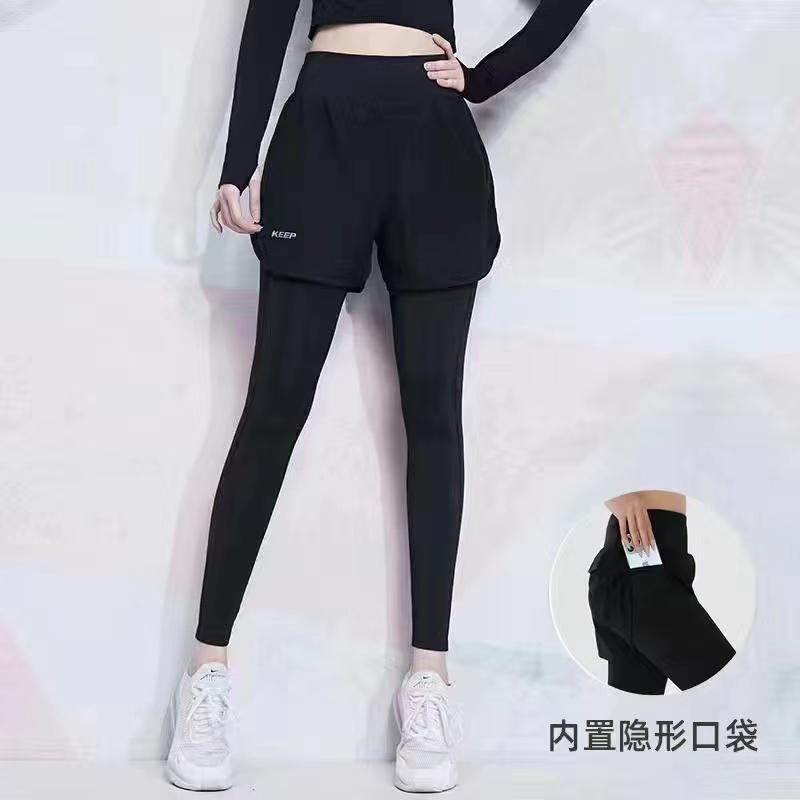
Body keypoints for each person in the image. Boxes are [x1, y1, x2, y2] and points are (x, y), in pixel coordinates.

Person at [167, 0, 595, 792]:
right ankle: (206, 675)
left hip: (432, 140)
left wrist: (483, 77)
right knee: (273, 409)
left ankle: (428, 682)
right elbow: (268, 19)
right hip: (322, 132)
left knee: (433, 415)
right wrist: (237, 161)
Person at [588, 491, 736, 695]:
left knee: (633, 713)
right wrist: (618, 496)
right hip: (638, 569)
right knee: (735, 692)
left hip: (652, 566)